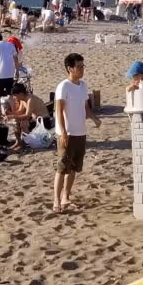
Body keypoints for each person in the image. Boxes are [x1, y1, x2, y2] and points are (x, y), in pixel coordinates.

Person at [53, 52, 97, 213]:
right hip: (67, 133)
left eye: (83, 66)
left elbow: (86, 108)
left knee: (73, 168)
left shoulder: (83, 85)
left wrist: (94, 118)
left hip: (80, 132)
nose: (82, 69)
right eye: (79, 66)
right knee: (62, 167)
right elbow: (59, 111)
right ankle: (56, 201)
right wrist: (63, 132)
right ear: (70, 68)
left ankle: (66, 197)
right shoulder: (63, 86)